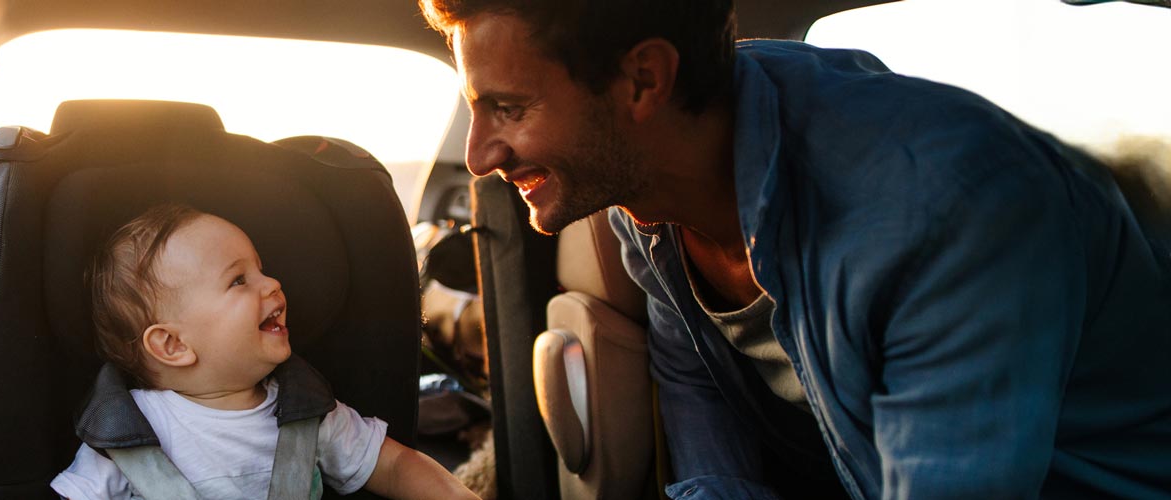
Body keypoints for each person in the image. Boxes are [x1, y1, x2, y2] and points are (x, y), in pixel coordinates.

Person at [419, 0, 1171, 498]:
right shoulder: (644, 206)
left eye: (508, 109)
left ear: (644, 80)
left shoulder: (943, 210)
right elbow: (712, 451)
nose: (482, 155)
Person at [51, 204, 478, 500]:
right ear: (173, 345)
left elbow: (394, 466)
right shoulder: (127, 434)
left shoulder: (308, 412)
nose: (272, 283)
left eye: (261, 267)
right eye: (238, 280)